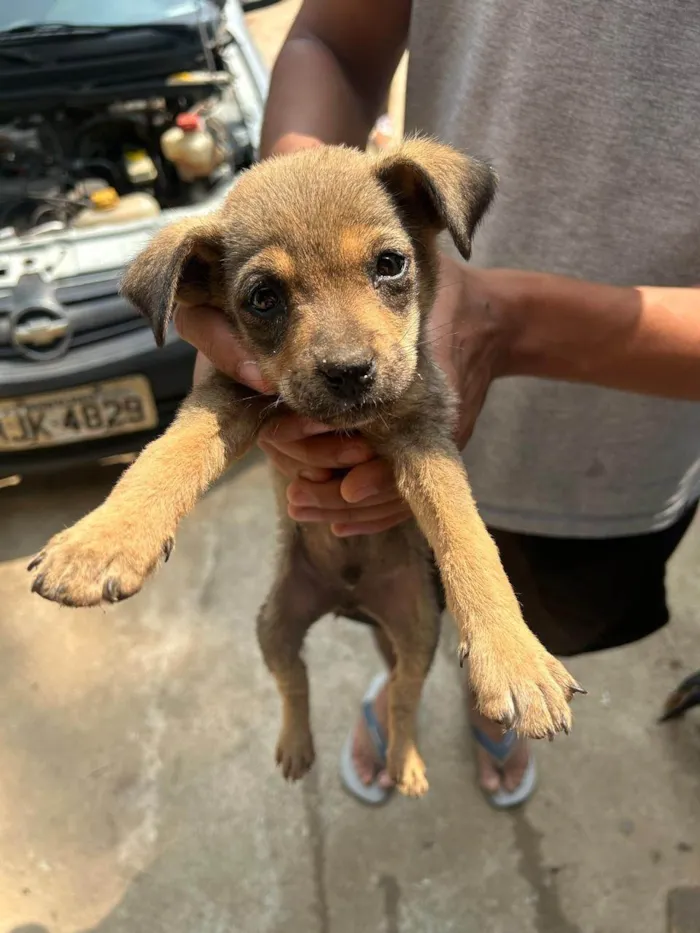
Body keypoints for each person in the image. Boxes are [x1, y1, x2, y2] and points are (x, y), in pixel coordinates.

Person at [175, 0, 700, 807]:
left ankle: (488, 705)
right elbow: (327, 42)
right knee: (390, 604)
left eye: (384, 266)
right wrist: (304, 201)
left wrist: (516, 322)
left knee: (535, 629)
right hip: (394, 428)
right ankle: (401, 695)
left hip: (616, 447)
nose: (343, 345)